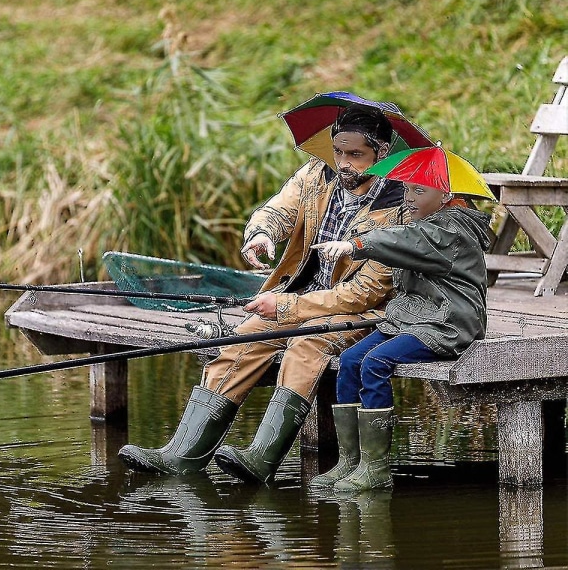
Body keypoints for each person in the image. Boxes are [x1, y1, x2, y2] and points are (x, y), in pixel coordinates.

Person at [118, 103, 408, 483]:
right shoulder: (315, 175)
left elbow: (366, 292)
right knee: (242, 339)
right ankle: (182, 454)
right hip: (296, 299)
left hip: (362, 314)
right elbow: (276, 211)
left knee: (306, 347)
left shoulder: (400, 205)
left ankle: (263, 457)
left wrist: (286, 306)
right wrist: (261, 235)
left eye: (355, 155)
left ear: (381, 153)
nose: (343, 162)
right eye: (338, 151)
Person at [308, 181, 491, 492]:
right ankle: (350, 461)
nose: (409, 197)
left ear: (445, 196)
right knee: (351, 359)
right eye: (407, 189)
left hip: (448, 323)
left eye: (419, 191)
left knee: (375, 362)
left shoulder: (449, 230)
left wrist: (355, 245)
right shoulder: (423, 222)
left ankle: (375, 468)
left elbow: (407, 241)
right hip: (415, 317)